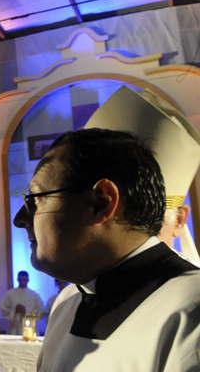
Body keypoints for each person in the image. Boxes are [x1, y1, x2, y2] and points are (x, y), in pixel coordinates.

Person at [13, 128, 200, 371]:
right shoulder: (67, 302)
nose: (19, 219)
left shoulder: (191, 312)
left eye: (36, 199)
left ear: (101, 202)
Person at [85, 86, 200, 266]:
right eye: (116, 220)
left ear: (179, 219)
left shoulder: (192, 291)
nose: (129, 239)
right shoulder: (75, 294)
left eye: (148, 224)